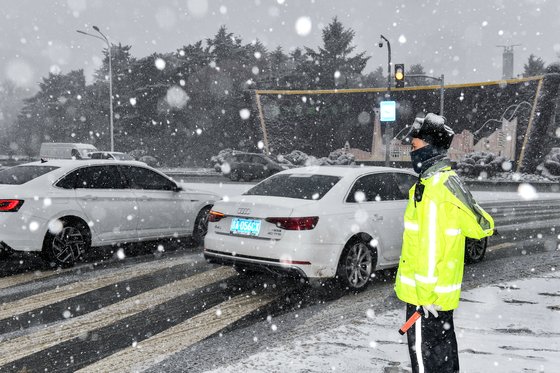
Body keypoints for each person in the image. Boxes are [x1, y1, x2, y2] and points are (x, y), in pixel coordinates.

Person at [394, 113, 495, 373]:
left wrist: (425, 298)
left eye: (415, 148)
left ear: (431, 148)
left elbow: (429, 248)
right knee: (444, 364)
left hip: (425, 301)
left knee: (427, 366)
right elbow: (479, 224)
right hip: (442, 301)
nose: (412, 153)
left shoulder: (435, 189)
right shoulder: (447, 182)